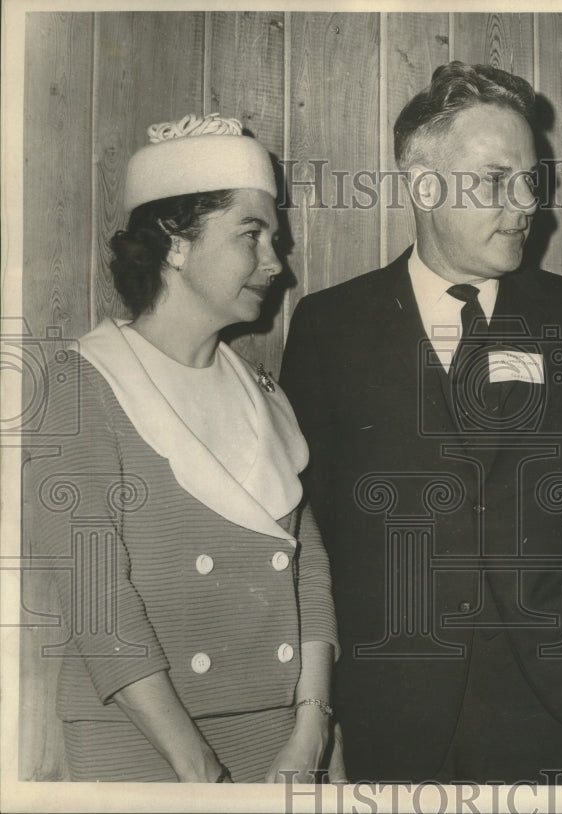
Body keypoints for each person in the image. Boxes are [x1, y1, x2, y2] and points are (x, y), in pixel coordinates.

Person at [280, 61, 562, 783]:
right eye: (495, 180)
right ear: (423, 186)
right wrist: (327, 709)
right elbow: (313, 531)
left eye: (531, 180)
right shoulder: (330, 327)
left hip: (560, 719)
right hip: (392, 721)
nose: (526, 206)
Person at [24, 113, 340, 783]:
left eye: (274, 240)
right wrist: (194, 764)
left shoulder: (262, 393)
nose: (275, 264)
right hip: (145, 742)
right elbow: (95, 598)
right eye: (250, 235)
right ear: (174, 243)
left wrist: (312, 730)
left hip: (281, 740)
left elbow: (307, 572)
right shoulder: (84, 383)